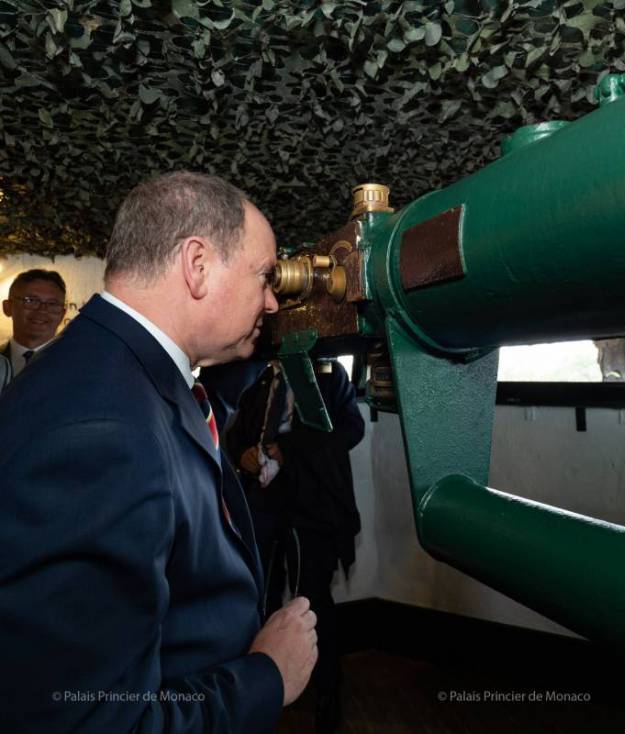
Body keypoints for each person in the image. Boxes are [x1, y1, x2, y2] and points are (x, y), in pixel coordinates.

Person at [0, 172, 317, 733]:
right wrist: (268, 673)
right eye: (265, 276)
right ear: (197, 265)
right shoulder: (103, 431)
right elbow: (91, 719)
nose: (271, 301)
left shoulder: (117, 371)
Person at [226, 358, 364, 734]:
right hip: (263, 502)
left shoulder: (328, 372)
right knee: (258, 595)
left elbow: (352, 429)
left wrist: (290, 449)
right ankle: (262, 686)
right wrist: (243, 455)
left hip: (311, 506)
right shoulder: (257, 376)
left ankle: (326, 692)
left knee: (312, 600)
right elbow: (236, 433)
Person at [1, 268, 68, 376]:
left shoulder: (79, 365)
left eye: (52, 304)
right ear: (7, 307)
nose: (42, 309)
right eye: (31, 301)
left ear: (62, 314)